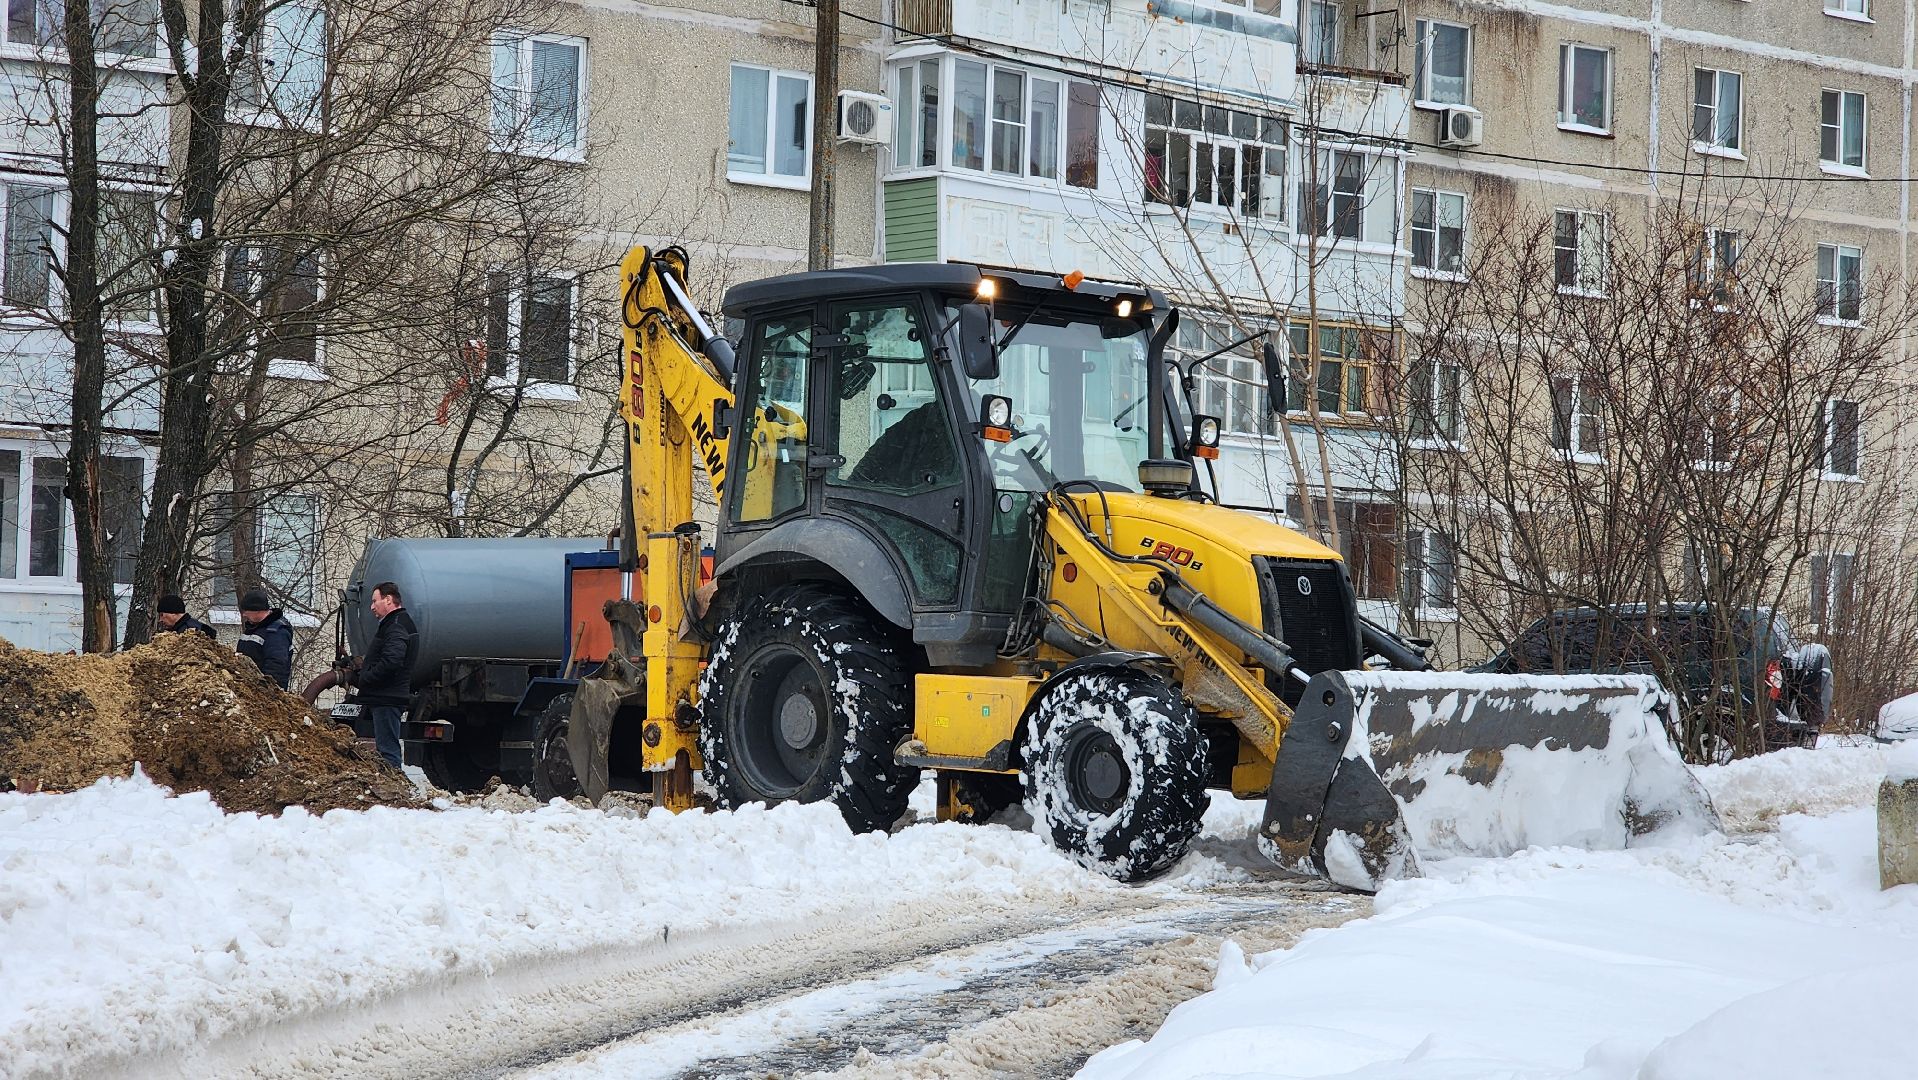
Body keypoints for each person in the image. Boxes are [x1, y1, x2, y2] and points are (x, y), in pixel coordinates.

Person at [350, 581, 418, 770]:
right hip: (386, 696)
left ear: (388, 600)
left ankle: (395, 793)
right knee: (385, 748)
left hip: (387, 698)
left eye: (374, 601)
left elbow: (392, 660)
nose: (372, 607)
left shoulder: (396, 625)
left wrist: (368, 676)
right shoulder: (396, 623)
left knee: (388, 752)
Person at [236, 589, 293, 689]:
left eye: (246, 611)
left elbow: (276, 667)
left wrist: (265, 691)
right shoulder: (253, 628)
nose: (244, 615)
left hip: (264, 694)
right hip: (247, 688)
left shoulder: (277, 633)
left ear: (258, 611)